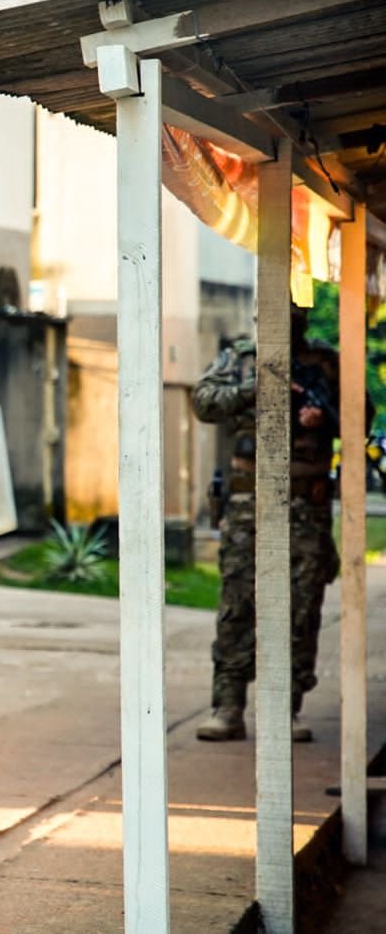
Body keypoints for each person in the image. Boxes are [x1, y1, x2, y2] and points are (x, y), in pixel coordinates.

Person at [192, 307, 345, 743]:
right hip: (249, 501)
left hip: (304, 502)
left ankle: (287, 707)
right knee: (239, 601)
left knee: (300, 606)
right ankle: (228, 705)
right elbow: (204, 401)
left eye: (292, 314)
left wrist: (323, 419)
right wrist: (253, 387)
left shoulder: (324, 364)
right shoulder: (241, 357)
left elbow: (359, 417)